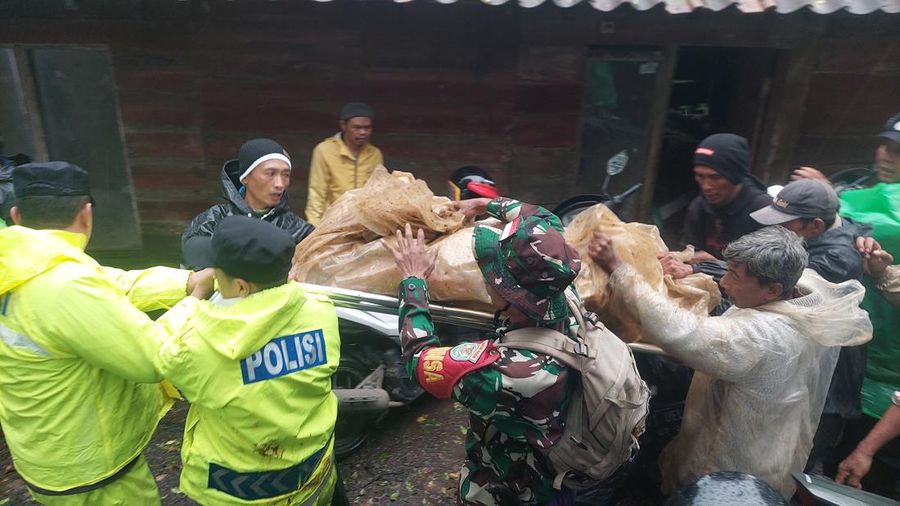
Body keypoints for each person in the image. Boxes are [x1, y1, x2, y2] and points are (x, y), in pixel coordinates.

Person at [588, 226, 872, 498]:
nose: (723, 282)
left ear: (773, 290)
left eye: (734, 276)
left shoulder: (763, 335)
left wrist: (619, 268)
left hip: (734, 471)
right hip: (772, 447)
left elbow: (683, 331)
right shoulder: (804, 293)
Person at [0, 161, 214, 504]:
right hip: (94, 475)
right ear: (86, 214)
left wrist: (187, 281)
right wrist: (196, 300)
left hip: (43, 455)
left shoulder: (19, 263)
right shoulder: (65, 284)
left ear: (16, 216)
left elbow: (117, 284)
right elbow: (153, 357)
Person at [386, 198, 586, 505]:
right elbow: (542, 217)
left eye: (493, 273)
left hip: (512, 494)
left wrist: (413, 281)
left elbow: (420, 360)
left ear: (505, 295)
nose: (486, 276)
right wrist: (482, 204)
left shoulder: (504, 372)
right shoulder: (560, 288)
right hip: (558, 480)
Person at [156, 215, 342, 505]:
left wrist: (195, 297)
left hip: (236, 494)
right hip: (313, 479)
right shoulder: (322, 311)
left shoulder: (200, 342)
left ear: (242, 287)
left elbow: (156, 352)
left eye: (216, 273)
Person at [750, 179, 869, 476]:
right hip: (804, 371)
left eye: (785, 224)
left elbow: (767, 282)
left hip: (827, 386)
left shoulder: (835, 260)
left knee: (794, 468)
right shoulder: (840, 232)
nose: (776, 230)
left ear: (815, 226)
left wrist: (703, 268)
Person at [182, 138, 314, 269]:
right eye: (270, 173)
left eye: (286, 175)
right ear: (245, 177)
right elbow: (192, 258)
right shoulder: (215, 219)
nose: (280, 184)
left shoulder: (299, 230)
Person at [658, 133, 772, 279]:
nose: (706, 186)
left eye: (715, 177)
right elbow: (690, 254)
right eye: (700, 176)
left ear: (735, 176)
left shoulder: (764, 211)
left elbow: (767, 275)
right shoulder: (699, 207)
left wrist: (709, 267)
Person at [305, 102, 383, 226]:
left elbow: (378, 194)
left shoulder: (375, 154)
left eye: (367, 128)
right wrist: (314, 227)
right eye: (356, 127)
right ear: (343, 125)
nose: (363, 132)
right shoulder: (324, 150)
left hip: (364, 226)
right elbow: (317, 194)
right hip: (332, 223)